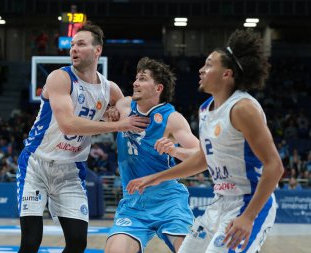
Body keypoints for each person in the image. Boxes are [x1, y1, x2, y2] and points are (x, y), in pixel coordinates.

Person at [127, 29, 284, 253]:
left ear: (227, 74)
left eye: (209, 64)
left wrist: (248, 217)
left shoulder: (243, 108)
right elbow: (203, 159)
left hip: (249, 203)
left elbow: (274, 166)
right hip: (220, 202)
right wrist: (154, 178)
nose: (201, 69)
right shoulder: (205, 109)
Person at [16, 23, 149, 253]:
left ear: (97, 51)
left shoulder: (109, 88)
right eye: (72, 45)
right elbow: (68, 124)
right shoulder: (60, 78)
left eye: (81, 44)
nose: (73, 49)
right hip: (36, 164)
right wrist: (118, 123)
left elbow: (126, 104)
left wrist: (121, 111)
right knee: (30, 241)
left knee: (78, 243)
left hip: (70, 169)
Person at [105, 57, 199, 253]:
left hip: (168, 201)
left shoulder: (172, 119)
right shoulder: (124, 106)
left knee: (190, 251)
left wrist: (175, 150)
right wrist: (110, 112)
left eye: (142, 79)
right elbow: (102, 106)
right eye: (136, 78)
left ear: (158, 88)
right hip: (133, 203)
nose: (135, 83)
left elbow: (201, 155)